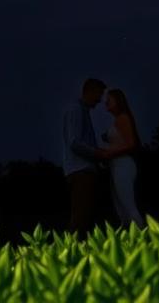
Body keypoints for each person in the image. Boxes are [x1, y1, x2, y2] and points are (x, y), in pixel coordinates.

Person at [96, 88, 146, 227]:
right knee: (121, 208)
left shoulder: (123, 118)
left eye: (109, 99)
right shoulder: (118, 120)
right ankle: (131, 240)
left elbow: (131, 144)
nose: (105, 101)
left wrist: (107, 154)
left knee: (128, 205)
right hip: (116, 166)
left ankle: (143, 235)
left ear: (118, 101)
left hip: (123, 165)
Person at [62, 77, 106, 236]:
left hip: (83, 171)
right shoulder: (76, 110)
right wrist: (98, 153)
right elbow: (75, 142)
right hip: (81, 172)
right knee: (81, 218)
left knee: (85, 218)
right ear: (90, 91)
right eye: (99, 95)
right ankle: (66, 253)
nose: (100, 100)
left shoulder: (81, 111)